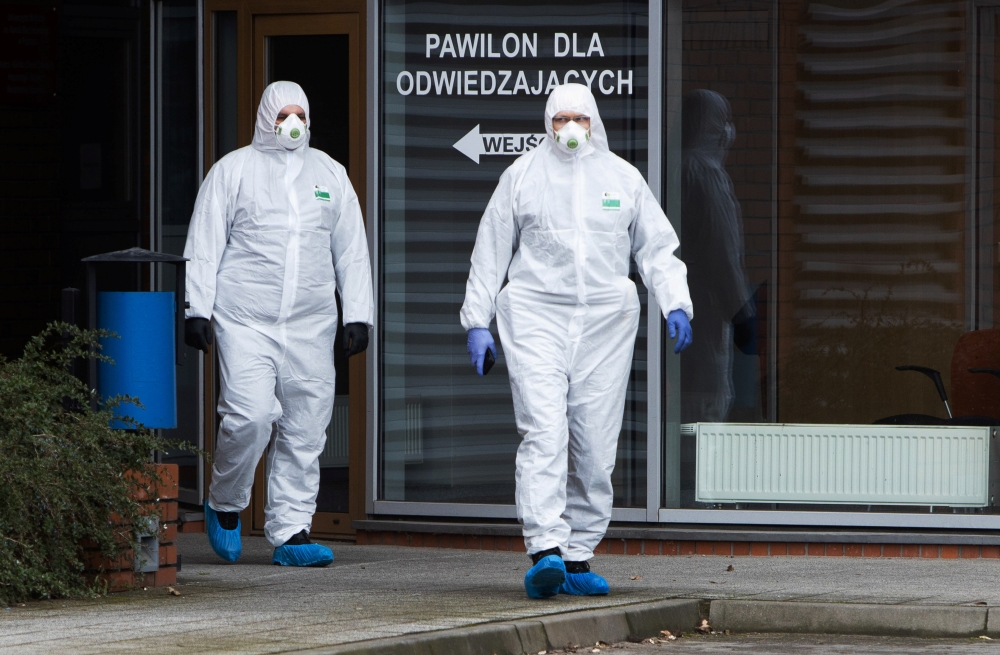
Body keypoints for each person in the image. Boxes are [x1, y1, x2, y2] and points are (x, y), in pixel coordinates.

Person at [461, 83, 693, 599]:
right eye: (561, 118)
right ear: (547, 123)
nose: (571, 128)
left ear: (594, 122)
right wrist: (477, 320)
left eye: (581, 119)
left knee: (595, 441)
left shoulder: (621, 178)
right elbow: (490, 248)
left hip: (605, 325)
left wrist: (675, 301)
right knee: (544, 430)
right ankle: (545, 548)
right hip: (535, 316)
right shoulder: (522, 176)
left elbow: (656, 247)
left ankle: (577, 554)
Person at [183, 81, 373, 567]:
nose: (292, 124)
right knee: (249, 416)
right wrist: (196, 309)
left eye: (300, 116)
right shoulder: (234, 171)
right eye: (283, 114)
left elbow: (351, 249)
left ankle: (291, 531)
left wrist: (358, 314)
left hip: (311, 323)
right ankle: (226, 502)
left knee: (306, 427)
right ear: (266, 117)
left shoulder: (329, 173)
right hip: (246, 319)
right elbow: (205, 242)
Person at [680, 89, 754, 423]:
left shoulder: (672, 166)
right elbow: (722, 253)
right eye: (725, 121)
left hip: (678, 307)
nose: (729, 131)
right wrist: (742, 316)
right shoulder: (706, 173)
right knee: (706, 403)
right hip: (706, 310)